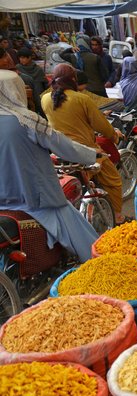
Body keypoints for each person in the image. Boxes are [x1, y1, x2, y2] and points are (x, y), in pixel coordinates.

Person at [0, 70, 99, 261]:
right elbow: (64, 146)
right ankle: (99, 264)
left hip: (4, 201)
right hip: (35, 199)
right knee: (80, 233)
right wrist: (92, 155)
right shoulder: (26, 120)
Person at [41, 64, 126, 225]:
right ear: (73, 79)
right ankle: (118, 217)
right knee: (114, 180)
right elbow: (101, 125)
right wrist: (114, 136)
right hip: (85, 151)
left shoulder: (45, 99)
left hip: (58, 151)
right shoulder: (81, 99)